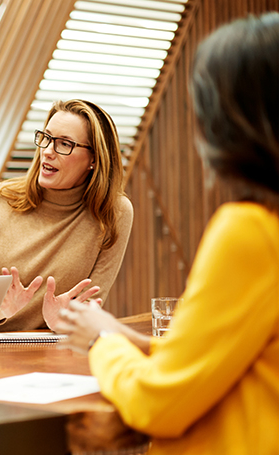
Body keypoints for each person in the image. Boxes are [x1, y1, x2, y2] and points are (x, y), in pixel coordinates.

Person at [55, 12, 279, 454]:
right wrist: (128, 340)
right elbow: (228, 357)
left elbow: (157, 405)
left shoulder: (251, 231)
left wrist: (102, 338)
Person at [0, 99, 133, 331]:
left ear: (94, 159)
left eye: (64, 144)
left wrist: (66, 323)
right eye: (46, 138)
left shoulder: (114, 212)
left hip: (56, 352)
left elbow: (89, 305)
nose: (47, 151)